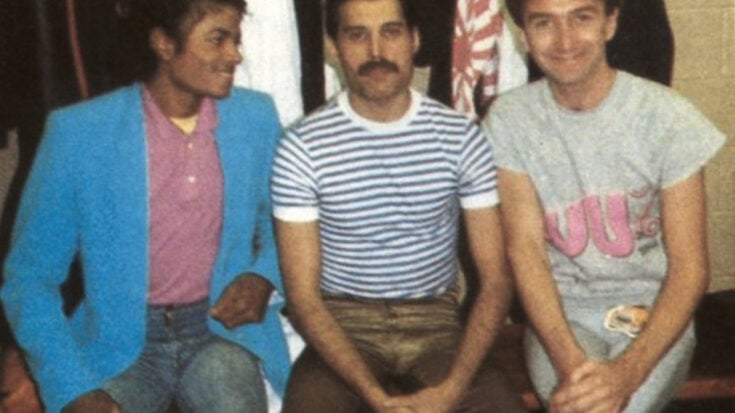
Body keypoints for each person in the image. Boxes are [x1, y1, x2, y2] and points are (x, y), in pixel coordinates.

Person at [1, 0, 290, 412]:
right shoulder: (80, 133)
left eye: (236, 40)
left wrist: (263, 277)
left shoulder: (254, 118)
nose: (235, 55)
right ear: (163, 43)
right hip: (119, 345)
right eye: (217, 39)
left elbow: (287, 226)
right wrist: (72, 387)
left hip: (219, 333)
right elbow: (29, 278)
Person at [271, 0, 527, 412]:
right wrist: (376, 399)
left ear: (414, 39)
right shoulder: (301, 147)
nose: (376, 51)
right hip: (344, 327)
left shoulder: (461, 137)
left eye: (390, 32)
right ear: (334, 47)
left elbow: (497, 280)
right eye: (357, 35)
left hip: (436, 325)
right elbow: (303, 299)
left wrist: (452, 389)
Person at [483, 0, 726, 412]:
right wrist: (571, 364)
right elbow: (526, 254)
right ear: (524, 34)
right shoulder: (510, 119)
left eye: (581, 18)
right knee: (582, 404)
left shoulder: (667, 116)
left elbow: (690, 268)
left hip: (653, 314)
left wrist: (627, 374)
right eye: (544, 23)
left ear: (610, 23)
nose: (564, 40)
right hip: (560, 317)